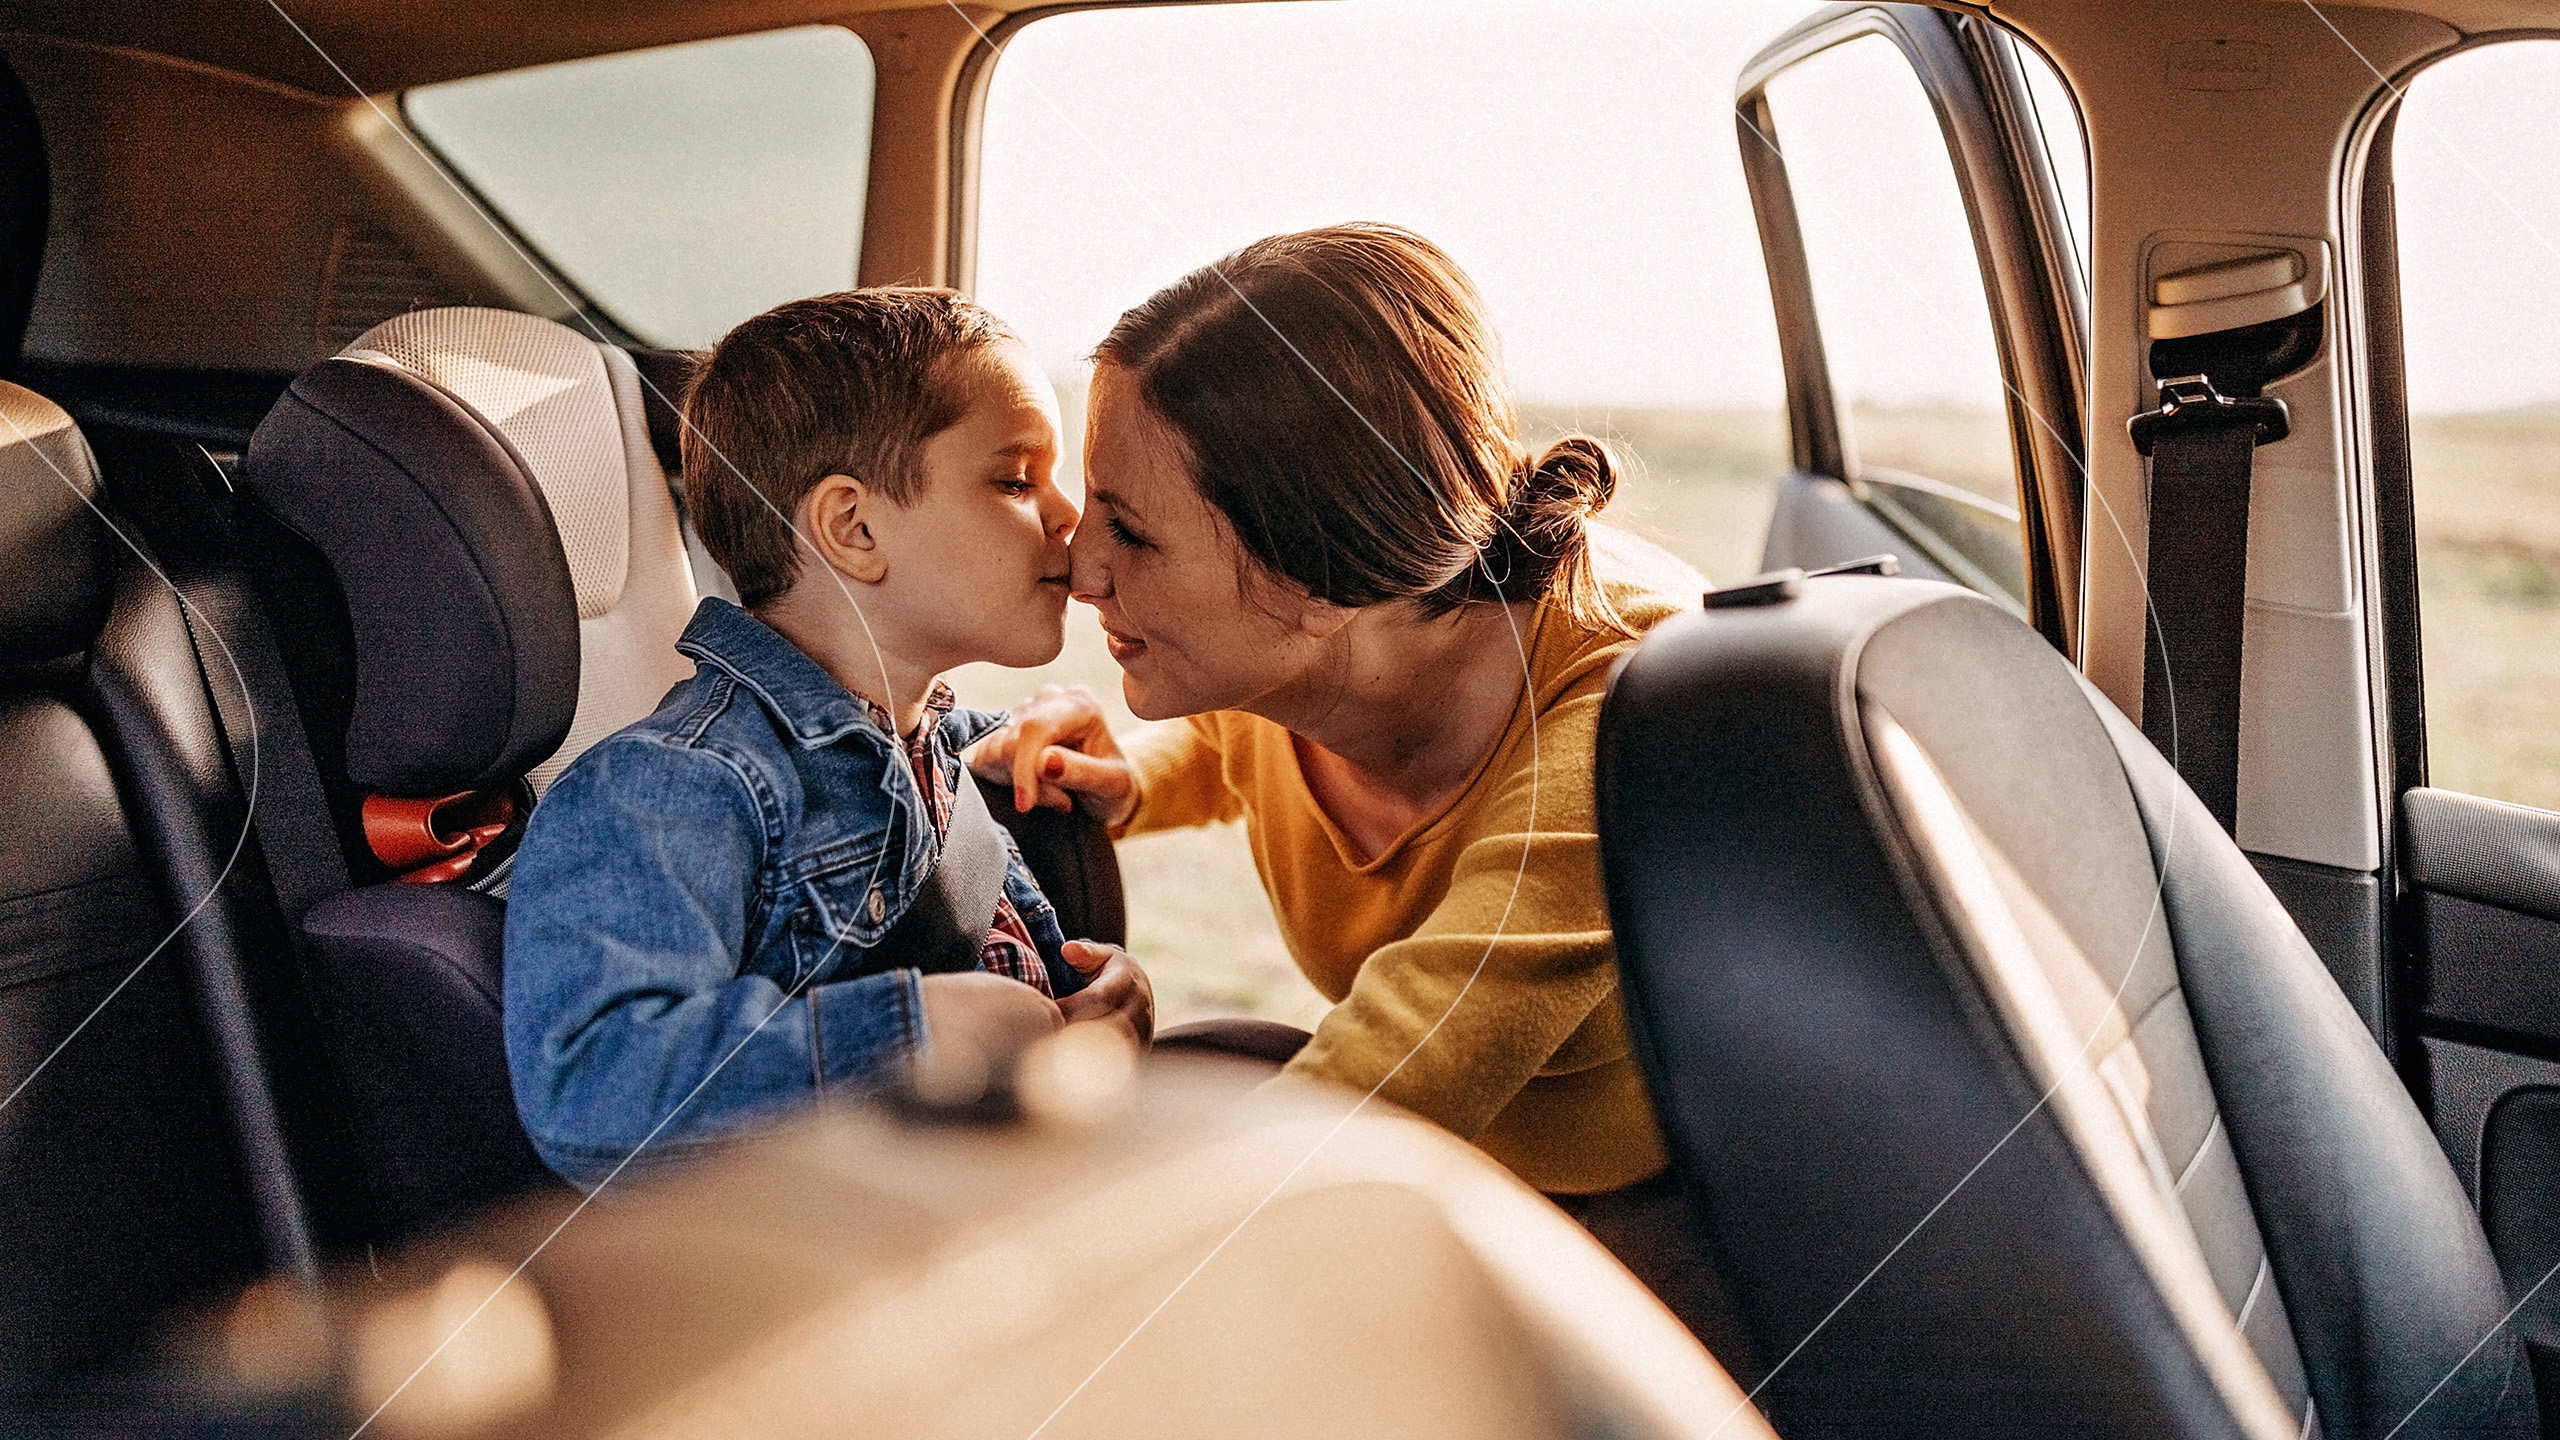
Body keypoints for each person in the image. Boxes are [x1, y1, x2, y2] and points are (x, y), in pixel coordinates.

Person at [973, 224, 1703, 1203]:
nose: (1077, 564)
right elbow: (1243, 735)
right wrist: (1134, 779)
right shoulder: (1315, 646)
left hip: (1633, 1226)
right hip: (1440, 1176)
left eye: (1131, 530)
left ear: (1321, 580)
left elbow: (1387, 1068)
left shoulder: (1617, 730)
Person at [506, 289, 1153, 1189]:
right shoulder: (671, 788)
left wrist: (1097, 1000)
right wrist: (914, 1034)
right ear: (854, 529)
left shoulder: (934, 749)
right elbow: (592, 1091)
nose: (1067, 518)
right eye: (1015, 479)